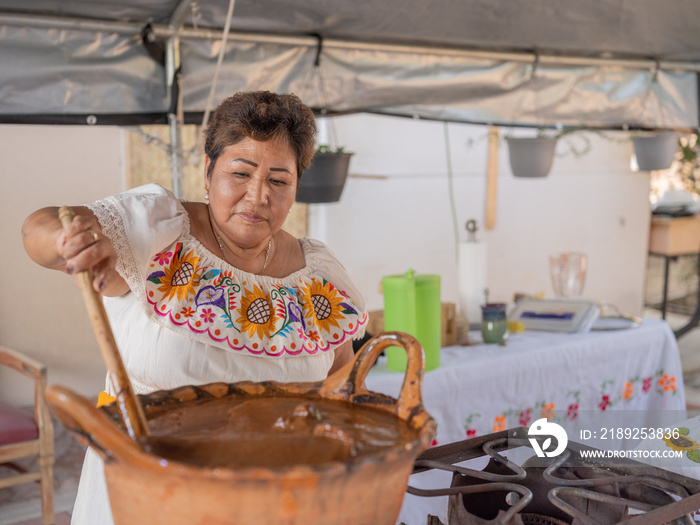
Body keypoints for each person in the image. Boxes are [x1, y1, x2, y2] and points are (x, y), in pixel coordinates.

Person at [21, 90, 368, 525]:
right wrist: (66, 239)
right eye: (240, 173)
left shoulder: (317, 275)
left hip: (270, 503)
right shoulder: (157, 231)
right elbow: (39, 227)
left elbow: (344, 386)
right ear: (207, 170)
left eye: (279, 181)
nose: (258, 195)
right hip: (146, 496)